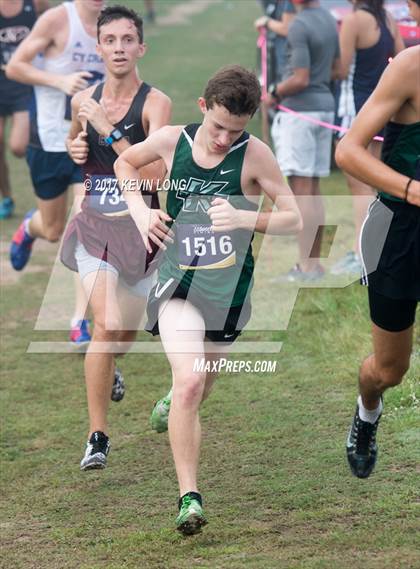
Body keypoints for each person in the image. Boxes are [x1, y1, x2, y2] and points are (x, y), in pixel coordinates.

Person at [114, 65, 302, 534]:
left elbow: (295, 218)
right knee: (192, 382)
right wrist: (140, 211)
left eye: (234, 131)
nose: (223, 140)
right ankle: (189, 499)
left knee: (197, 387)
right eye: (217, 127)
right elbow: (124, 164)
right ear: (203, 107)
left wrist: (245, 219)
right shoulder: (171, 141)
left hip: (230, 291)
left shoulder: (255, 156)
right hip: (178, 283)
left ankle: (172, 400)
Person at [60, 5, 171, 470]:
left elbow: (156, 174)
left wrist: (107, 132)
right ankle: (98, 436)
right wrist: (76, 144)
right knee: (105, 326)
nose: (119, 48)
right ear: (99, 48)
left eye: (128, 40)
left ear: (141, 47)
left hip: (141, 233)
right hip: (94, 229)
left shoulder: (155, 103)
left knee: (121, 333)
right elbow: (75, 144)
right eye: (110, 40)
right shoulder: (82, 101)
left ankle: (110, 367)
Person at [335, 0, 420, 479]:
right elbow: (348, 151)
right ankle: (368, 411)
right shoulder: (408, 67)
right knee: (389, 371)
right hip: (400, 233)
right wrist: (413, 190)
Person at [6, 0, 106, 346]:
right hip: (49, 139)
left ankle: (79, 320)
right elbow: (15, 67)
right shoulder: (57, 19)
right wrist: (59, 80)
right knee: (52, 231)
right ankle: (30, 228)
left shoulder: (115, 23)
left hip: (90, 143)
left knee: (85, 227)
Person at [331, 0, 404, 276]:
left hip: (354, 108)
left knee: (360, 186)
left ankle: (362, 254)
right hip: (380, 108)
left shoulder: (353, 20)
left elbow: (341, 70)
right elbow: (401, 59)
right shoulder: (387, 18)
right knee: (373, 184)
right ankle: (377, 250)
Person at [270, 0, 340, 281]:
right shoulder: (329, 17)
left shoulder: (298, 25)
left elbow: (300, 79)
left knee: (302, 191)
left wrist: (274, 92)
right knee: (313, 190)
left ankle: (307, 267)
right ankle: (314, 264)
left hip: (300, 111)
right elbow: (339, 69)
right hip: (324, 107)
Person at [0, 0, 49, 219]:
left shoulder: (35, 3)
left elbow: (53, 25)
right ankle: (6, 197)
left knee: (19, 147)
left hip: (23, 82)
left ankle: (44, 192)